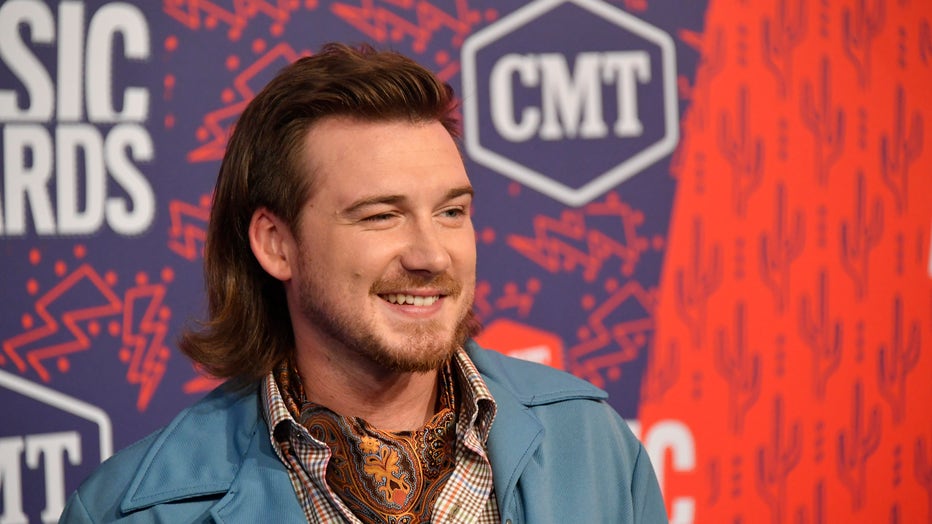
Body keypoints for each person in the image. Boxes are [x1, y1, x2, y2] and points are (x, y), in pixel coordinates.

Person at [60, 43, 668, 523]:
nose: (432, 254)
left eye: (451, 211)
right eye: (381, 216)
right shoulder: (136, 510)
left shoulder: (594, 445)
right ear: (276, 244)